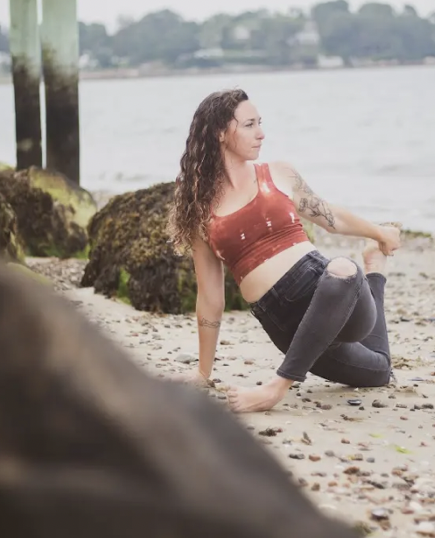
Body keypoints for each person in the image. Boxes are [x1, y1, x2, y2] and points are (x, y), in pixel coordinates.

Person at [168, 88, 401, 413]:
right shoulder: (198, 207)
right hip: (289, 328)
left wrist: (379, 232)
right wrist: (202, 374)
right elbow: (210, 296)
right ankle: (376, 271)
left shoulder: (277, 173)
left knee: (343, 270)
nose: (261, 133)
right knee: (378, 372)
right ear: (221, 132)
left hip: (335, 291)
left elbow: (331, 218)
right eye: (249, 124)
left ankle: (276, 389)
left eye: (260, 123)